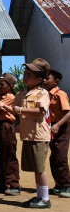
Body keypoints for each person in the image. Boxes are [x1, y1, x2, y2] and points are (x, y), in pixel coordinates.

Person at [0, 61, 52, 208]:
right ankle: (40, 196)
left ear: (39, 79)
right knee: (35, 168)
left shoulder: (42, 93)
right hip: (28, 135)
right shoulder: (23, 93)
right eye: (25, 74)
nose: (25, 77)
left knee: (40, 169)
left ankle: (45, 199)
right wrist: (5, 107)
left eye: (29, 75)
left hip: (39, 135)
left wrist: (19, 110)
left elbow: (40, 111)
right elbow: (14, 109)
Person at [45, 69, 70, 197]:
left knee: (61, 157)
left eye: (47, 78)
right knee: (54, 157)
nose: (44, 80)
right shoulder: (46, 95)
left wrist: (58, 125)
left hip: (61, 128)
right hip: (51, 127)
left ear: (56, 81)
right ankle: (58, 185)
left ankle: (67, 186)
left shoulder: (60, 94)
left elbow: (68, 113)